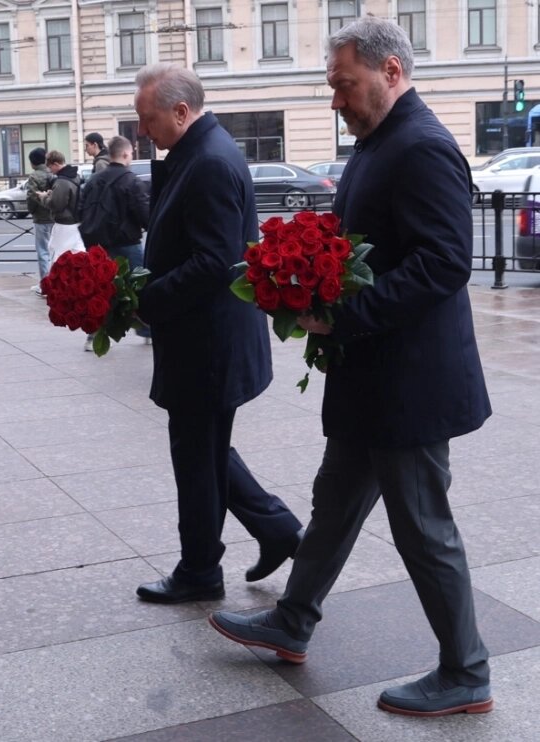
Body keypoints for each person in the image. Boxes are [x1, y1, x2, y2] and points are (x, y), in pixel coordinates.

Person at [209, 17, 494, 718]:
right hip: (373, 376)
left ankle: (467, 671)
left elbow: (444, 263)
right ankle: (293, 618)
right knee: (335, 501)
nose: (335, 100)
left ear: (390, 71)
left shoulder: (423, 146)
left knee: (423, 527)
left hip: (411, 384)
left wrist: (341, 315)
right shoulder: (378, 141)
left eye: (343, 84)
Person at [130, 63, 303, 604]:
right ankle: (275, 528)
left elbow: (215, 262)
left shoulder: (207, 161)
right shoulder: (197, 151)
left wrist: (145, 298)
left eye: (147, 118)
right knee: (204, 448)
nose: (142, 131)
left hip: (207, 341)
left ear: (181, 112)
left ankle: (201, 570)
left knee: (197, 454)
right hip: (205, 337)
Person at [78, 134, 151, 351]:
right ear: (127, 154)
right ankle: (147, 330)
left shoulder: (93, 181)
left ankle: (93, 335)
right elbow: (144, 216)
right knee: (142, 285)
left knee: (99, 289)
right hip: (126, 243)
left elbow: (80, 210)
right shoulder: (131, 181)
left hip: (97, 245)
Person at [24, 147, 54, 296]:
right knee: (54, 251)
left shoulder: (34, 176)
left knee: (43, 252)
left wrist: (33, 211)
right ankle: (56, 284)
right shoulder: (53, 173)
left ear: (32, 162)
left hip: (41, 219)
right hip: (55, 217)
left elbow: (31, 197)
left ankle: (45, 286)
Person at [43, 150, 84, 260]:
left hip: (64, 223)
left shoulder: (61, 181)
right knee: (78, 254)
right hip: (76, 222)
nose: (50, 170)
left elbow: (56, 205)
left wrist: (45, 198)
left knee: (58, 256)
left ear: (56, 164)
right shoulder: (75, 176)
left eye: (50, 167)